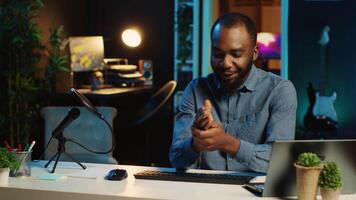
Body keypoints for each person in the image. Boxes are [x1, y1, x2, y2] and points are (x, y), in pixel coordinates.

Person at [169, 12, 297, 173]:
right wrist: (196, 144)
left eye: (236, 54)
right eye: (218, 54)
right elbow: (176, 159)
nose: (225, 63)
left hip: (256, 194)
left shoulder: (280, 91)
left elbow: (281, 161)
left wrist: (226, 143)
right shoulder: (195, 90)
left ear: (254, 52)